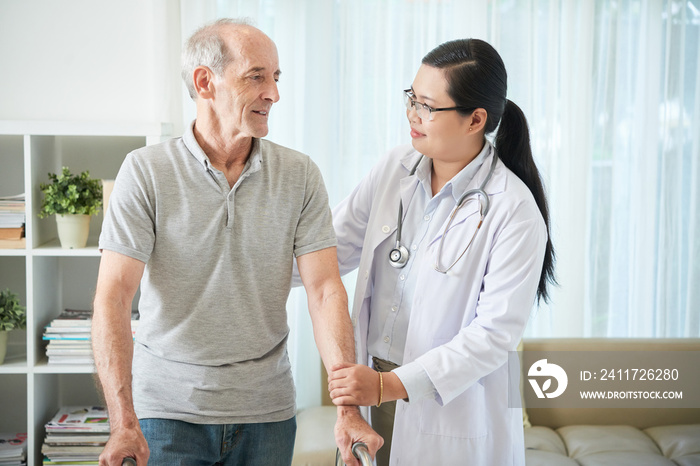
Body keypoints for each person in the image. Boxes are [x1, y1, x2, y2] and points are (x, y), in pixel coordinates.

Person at [91, 18, 381, 466]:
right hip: (166, 415)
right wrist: (122, 422)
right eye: (256, 76)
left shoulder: (299, 175)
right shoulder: (146, 171)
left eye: (276, 77)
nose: (274, 93)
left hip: (267, 415)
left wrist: (348, 409)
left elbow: (325, 291)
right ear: (205, 82)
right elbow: (113, 296)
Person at [326, 38, 555, 465]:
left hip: (447, 406)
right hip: (369, 397)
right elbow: (325, 254)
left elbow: (493, 337)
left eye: (428, 106)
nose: (412, 114)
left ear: (475, 120)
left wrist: (388, 386)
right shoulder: (393, 170)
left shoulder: (514, 209)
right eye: (411, 98)